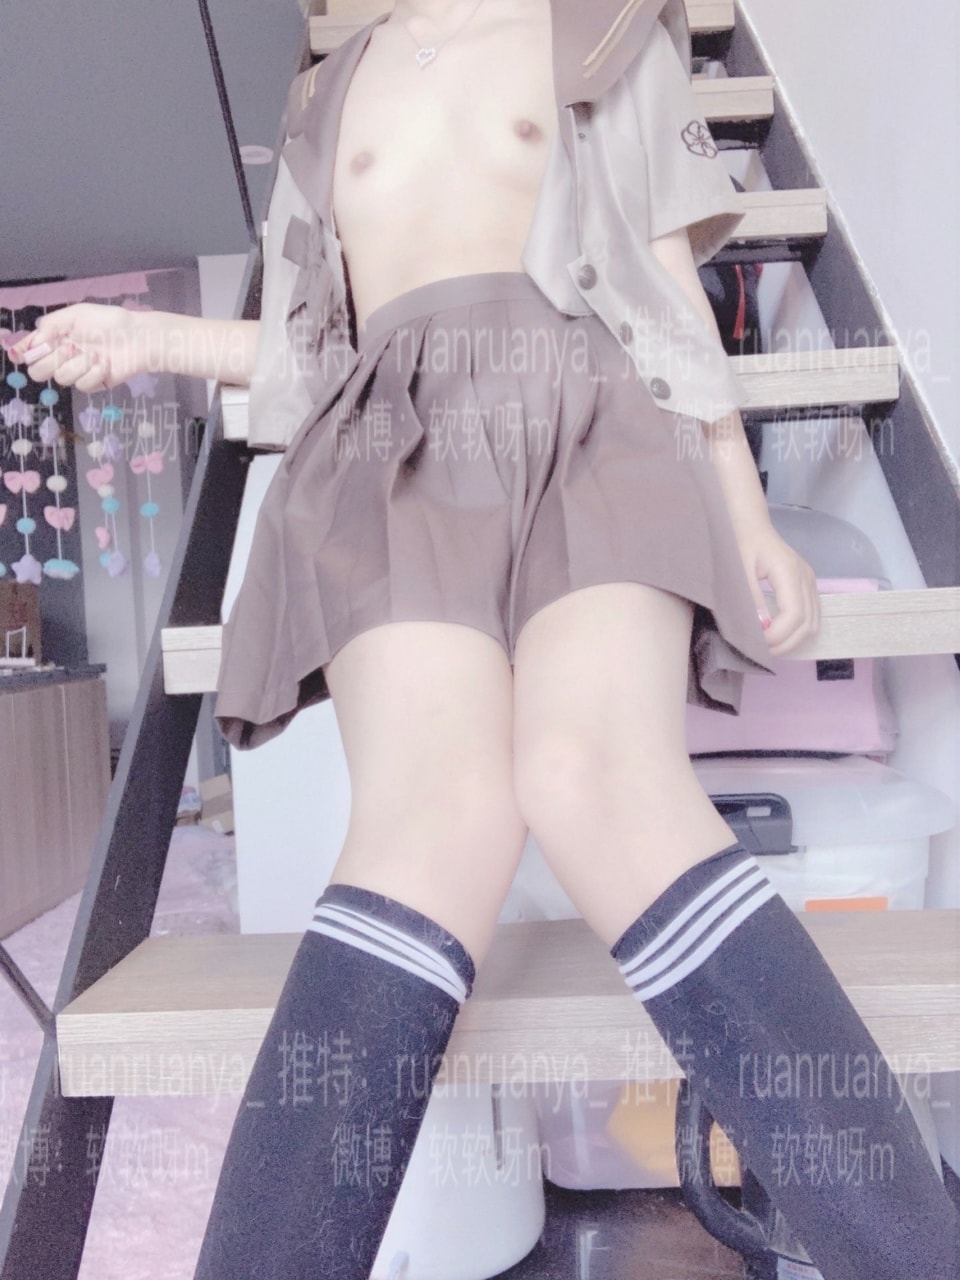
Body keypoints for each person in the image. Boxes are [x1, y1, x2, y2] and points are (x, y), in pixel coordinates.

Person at [13, 2, 959, 1277]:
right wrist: (151, 338)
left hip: (593, 413)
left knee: (592, 778)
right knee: (432, 822)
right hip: (391, 444)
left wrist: (744, 513)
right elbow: (308, 349)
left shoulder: (600, 32)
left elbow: (665, 288)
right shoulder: (328, 92)